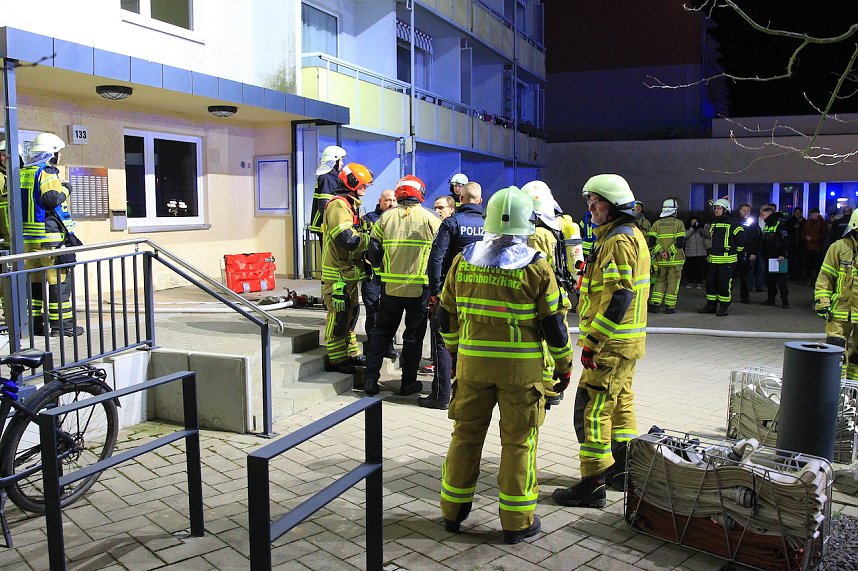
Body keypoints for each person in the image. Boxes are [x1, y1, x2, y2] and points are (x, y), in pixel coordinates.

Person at [437, 186, 573, 544]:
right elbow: (554, 326)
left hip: (471, 369)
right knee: (518, 444)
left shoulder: (463, 260)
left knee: (465, 436)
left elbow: (444, 315)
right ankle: (516, 523)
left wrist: (456, 354)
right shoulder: (537, 267)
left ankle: (452, 513)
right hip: (521, 374)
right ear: (528, 222)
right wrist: (564, 366)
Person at [552, 173, 649, 508]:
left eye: (598, 202)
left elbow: (619, 296)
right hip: (626, 345)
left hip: (609, 346)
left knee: (590, 410)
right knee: (619, 406)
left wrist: (593, 340)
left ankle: (592, 484)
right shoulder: (629, 235)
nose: (591, 207)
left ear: (616, 206)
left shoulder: (618, 241)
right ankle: (621, 473)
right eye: (590, 201)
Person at [362, 175, 441, 396]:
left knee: (382, 332)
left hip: (390, 289)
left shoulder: (385, 219)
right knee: (413, 336)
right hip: (420, 289)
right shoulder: (430, 219)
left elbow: (373, 250)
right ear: (420, 194)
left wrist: (380, 274)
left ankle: (370, 380)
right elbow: (441, 252)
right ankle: (408, 383)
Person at [422, 182, 484, 409]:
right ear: (480, 200)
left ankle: (440, 395)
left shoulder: (452, 222)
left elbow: (436, 259)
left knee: (444, 341)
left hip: (453, 293)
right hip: (482, 294)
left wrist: (436, 292)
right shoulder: (488, 224)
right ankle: (470, 393)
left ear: (460, 201)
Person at [19, 133, 84, 336]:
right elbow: (51, 199)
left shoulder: (22, 173)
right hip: (49, 240)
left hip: (28, 241)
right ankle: (62, 326)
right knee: (59, 281)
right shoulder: (46, 172)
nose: (60, 157)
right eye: (58, 153)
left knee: (34, 283)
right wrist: (66, 187)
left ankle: (35, 324)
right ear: (51, 154)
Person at [521, 180, 572, 406]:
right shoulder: (553, 230)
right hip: (558, 293)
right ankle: (553, 387)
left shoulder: (536, 233)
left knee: (544, 341)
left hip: (544, 296)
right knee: (557, 337)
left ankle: (550, 389)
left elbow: (536, 271)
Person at [321, 162, 374, 374]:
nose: (366, 188)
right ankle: (336, 358)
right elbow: (348, 240)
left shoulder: (351, 204)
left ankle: (351, 353)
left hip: (349, 274)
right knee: (339, 315)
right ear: (352, 182)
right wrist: (370, 240)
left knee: (351, 314)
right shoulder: (338, 205)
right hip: (337, 275)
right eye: (363, 184)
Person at [815, 209, 858, 379]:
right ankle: (834, 389)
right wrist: (823, 302)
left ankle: (853, 391)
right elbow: (825, 278)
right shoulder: (838, 248)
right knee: (835, 352)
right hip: (839, 311)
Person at [361, 189, 398, 361]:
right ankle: (373, 346)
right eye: (387, 200)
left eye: (393, 200)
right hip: (371, 274)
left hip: (390, 274)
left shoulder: (398, 219)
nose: (391, 203)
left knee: (388, 312)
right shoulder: (369, 219)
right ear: (380, 201)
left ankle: (388, 346)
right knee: (372, 310)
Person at [698, 199, 745, 316]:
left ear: (725, 210)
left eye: (719, 208)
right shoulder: (714, 222)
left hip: (727, 260)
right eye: (715, 208)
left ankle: (724, 307)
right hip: (713, 259)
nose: (716, 210)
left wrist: (738, 256)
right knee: (711, 284)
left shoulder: (734, 222)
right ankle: (710, 306)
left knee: (724, 285)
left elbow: (741, 240)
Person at [647, 198, 685, 314]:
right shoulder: (679, 224)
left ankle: (655, 305)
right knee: (673, 282)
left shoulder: (656, 224)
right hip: (675, 261)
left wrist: (660, 252)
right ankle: (669, 306)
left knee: (659, 281)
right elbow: (679, 242)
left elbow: (652, 241)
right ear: (674, 210)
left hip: (661, 261)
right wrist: (668, 252)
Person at [309, 145, 347, 237]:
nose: (342, 164)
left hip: (328, 226)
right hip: (325, 226)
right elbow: (324, 206)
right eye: (341, 160)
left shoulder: (331, 178)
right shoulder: (326, 178)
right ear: (334, 161)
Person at [758, 205, 790, 309]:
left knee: (781, 281)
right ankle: (771, 299)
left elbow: (785, 241)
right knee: (769, 280)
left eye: (763, 214)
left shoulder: (779, 225)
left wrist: (782, 254)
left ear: (769, 214)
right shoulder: (767, 225)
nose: (762, 216)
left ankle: (785, 301)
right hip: (768, 257)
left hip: (779, 258)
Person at [737, 203, 761, 304]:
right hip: (734, 253)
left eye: (748, 211)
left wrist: (753, 253)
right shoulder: (735, 221)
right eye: (744, 210)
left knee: (745, 277)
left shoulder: (753, 224)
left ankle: (745, 298)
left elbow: (755, 240)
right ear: (740, 211)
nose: (746, 213)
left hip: (746, 253)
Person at [802, 208, 828, 283]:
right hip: (808, 247)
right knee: (808, 264)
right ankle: (809, 278)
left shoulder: (822, 223)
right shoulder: (808, 222)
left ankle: (816, 279)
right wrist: (805, 237)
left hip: (817, 247)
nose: (811, 215)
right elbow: (803, 233)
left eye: (812, 213)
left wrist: (813, 238)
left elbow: (824, 234)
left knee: (816, 265)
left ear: (817, 213)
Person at [684, 215, 709, 289]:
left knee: (700, 269)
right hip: (690, 252)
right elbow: (686, 236)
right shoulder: (687, 229)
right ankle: (690, 282)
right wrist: (693, 228)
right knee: (690, 268)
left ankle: (699, 283)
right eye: (693, 221)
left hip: (701, 252)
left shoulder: (701, 229)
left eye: (696, 221)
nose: (695, 223)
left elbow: (707, 235)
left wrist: (701, 228)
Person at [784, 207, 805, 280]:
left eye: (799, 212)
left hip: (801, 244)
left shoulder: (804, 221)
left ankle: (799, 275)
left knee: (800, 261)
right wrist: (793, 227)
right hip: (792, 243)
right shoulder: (790, 220)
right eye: (796, 212)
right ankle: (791, 275)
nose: (798, 213)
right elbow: (786, 229)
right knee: (791, 260)